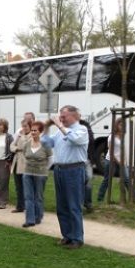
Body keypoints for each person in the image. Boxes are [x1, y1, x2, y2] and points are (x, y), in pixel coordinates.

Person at [42, 105, 89, 249]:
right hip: (59, 170)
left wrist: (59, 125)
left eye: (64, 116)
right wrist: (46, 127)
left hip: (74, 170)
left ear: (74, 116)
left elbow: (74, 139)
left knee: (74, 205)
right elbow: (46, 143)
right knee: (61, 206)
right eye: (60, 116)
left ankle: (77, 238)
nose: (61, 118)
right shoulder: (60, 131)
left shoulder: (81, 129)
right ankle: (67, 236)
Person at [96, 118, 135, 206]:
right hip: (111, 161)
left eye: (123, 125)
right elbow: (111, 152)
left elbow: (122, 150)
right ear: (116, 125)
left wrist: (124, 161)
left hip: (121, 162)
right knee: (107, 180)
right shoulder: (111, 136)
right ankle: (100, 199)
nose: (122, 126)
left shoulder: (122, 136)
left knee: (127, 180)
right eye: (120, 124)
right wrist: (119, 162)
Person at [22, 120, 52, 228]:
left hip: (41, 175)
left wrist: (44, 169)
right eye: (32, 130)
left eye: (35, 130)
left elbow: (51, 159)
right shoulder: (27, 144)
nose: (33, 132)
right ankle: (30, 220)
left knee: (38, 196)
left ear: (40, 132)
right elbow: (25, 156)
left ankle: (38, 216)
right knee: (28, 196)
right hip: (27, 173)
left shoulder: (45, 145)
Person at [10, 119, 31, 213]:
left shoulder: (32, 135)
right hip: (17, 163)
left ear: (30, 126)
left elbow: (26, 146)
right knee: (18, 186)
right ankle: (20, 206)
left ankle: (29, 206)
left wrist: (18, 147)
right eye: (23, 126)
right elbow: (11, 146)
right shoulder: (19, 135)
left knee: (27, 186)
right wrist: (16, 148)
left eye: (26, 126)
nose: (24, 128)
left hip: (26, 163)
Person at [79, 118, 95, 212]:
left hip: (87, 160)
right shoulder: (70, 127)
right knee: (79, 183)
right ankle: (80, 204)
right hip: (78, 161)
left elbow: (91, 141)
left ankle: (88, 203)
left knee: (88, 180)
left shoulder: (85, 125)